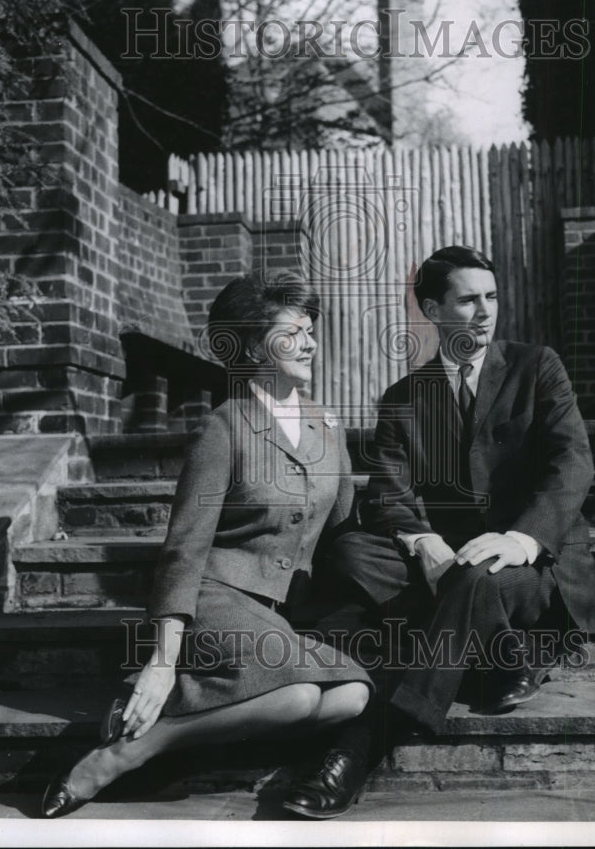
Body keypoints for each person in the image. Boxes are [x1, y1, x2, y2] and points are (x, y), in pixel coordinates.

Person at [41, 271, 373, 820]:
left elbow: (344, 530)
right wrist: (162, 661)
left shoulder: (327, 425)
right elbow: (184, 549)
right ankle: (127, 753)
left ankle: (170, 724)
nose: (310, 343)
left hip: (280, 612)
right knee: (297, 696)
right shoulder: (224, 428)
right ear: (252, 346)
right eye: (292, 333)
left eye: (310, 330)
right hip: (216, 599)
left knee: (350, 695)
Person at [330, 244, 595, 735]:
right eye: (468, 300)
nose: (485, 312)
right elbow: (387, 497)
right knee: (351, 551)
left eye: (492, 297)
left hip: (533, 563)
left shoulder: (536, 367)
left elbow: (572, 464)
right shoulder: (403, 398)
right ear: (433, 310)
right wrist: (423, 541)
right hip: (455, 560)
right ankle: (500, 651)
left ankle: (387, 725)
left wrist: (522, 539)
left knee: (479, 577)